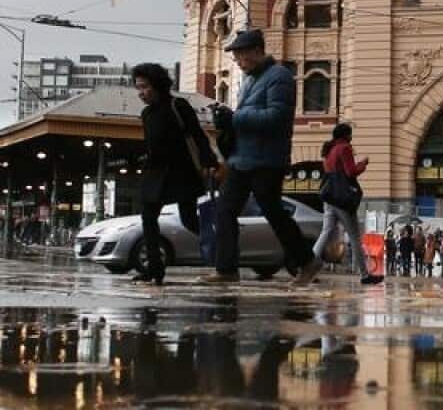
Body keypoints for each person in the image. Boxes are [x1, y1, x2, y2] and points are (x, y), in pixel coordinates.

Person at [203, 28, 321, 286]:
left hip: (268, 159)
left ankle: (307, 261)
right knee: (224, 210)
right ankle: (226, 269)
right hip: (242, 158)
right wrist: (228, 118)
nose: (237, 60)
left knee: (272, 210)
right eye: (235, 56)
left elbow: (277, 117)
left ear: (257, 51)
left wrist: (236, 118)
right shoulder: (249, 80)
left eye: (240, 55)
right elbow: (248, 115)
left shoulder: (279, 76)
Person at [131, 63, 217, 285]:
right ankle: (154, 269)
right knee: (148, 218)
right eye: (138, 88)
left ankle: (222, 252)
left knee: (189, 219)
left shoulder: (178, 105)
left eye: (144, 87)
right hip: (155, 172)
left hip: (181, 172)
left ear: (158, 85)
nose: (141, 93)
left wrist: (208, 160)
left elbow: (198, 135)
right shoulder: (147, 113)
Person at [310, 124, 381, 285]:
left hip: (329, 198)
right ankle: (364, 275)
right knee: (355, 237)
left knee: (325, 233)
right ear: (345, 135)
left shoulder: (329, 150)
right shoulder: (344, 148)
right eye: (350, 133)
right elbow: (351, 172)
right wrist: (363, 164)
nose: (351, 136)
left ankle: (308, 268)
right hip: (342, 199)